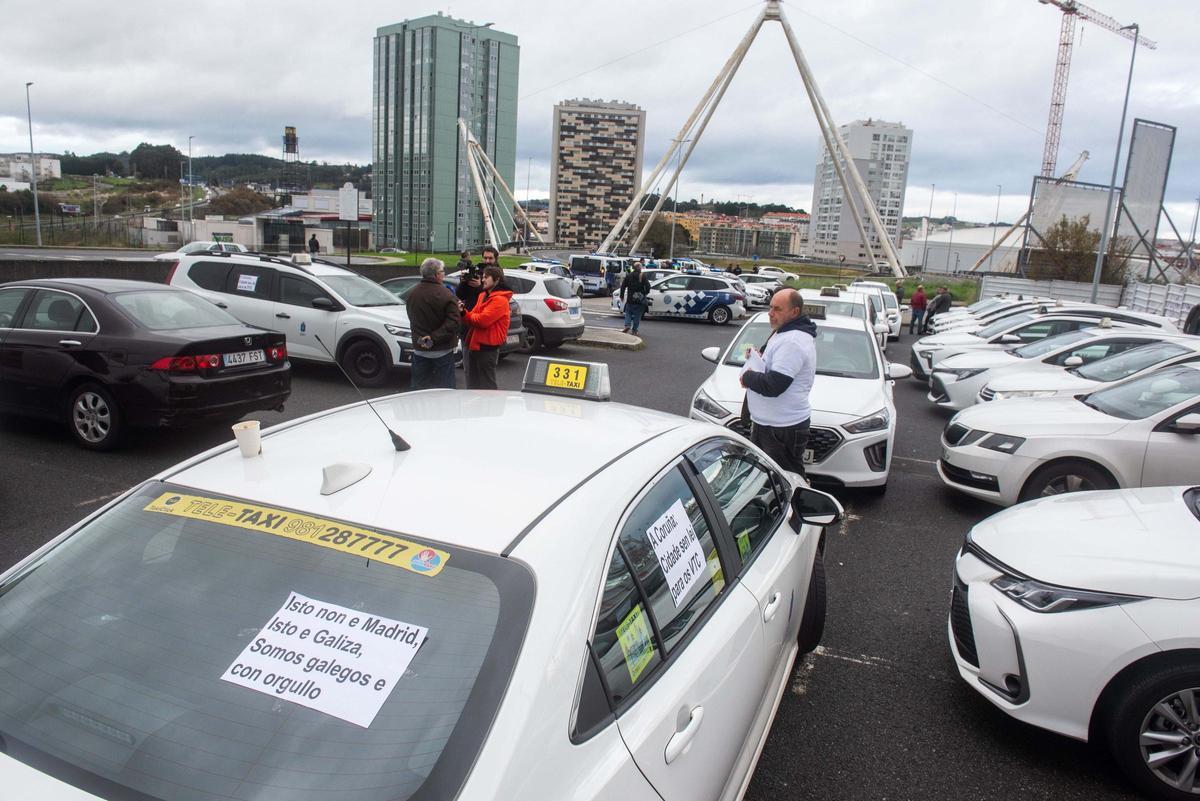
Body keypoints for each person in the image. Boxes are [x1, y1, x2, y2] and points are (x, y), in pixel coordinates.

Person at [739, 288, 817, 477]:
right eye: (770, 307)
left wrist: (747, 377)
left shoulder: (792, 341)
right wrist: (758, 357)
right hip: (770, 425)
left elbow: (774, 385)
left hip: (781, 429)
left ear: (794, 312)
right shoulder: (783, 331)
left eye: (777, 309)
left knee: (786, 480)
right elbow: (775, 367)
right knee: (765, 479)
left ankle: (797, 507)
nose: (771, 313)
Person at [407, 258, 461, 390]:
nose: (444, 274)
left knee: (419, 392)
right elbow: (454, 322)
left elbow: (412, 318)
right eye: (442, 271)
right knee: (445, 392)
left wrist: (425, 338)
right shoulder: (446, 294)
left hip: (419, 349)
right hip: (442, 351)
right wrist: (433, 337)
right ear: (437, 275)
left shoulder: (412, 293)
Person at [459, 265, 512, 390]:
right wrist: (464, 312)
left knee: (487, 386)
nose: (483, 280)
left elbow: (481, 321)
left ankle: (491, 409)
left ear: (497, 280)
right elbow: (473, 317)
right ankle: (476, 409)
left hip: (487, 349)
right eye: (483, 277)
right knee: (473, 384)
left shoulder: (500, 300)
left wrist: (466, 314)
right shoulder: (482, 295)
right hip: (475, 344)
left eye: (486, 277)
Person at [620, 262, 651, 336]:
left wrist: (622, 296)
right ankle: (634, 330)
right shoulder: (642, 276)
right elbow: (648, 287)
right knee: (637, 315)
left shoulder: (629, 275)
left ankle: (627, 325)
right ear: (639, 268)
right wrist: (644, 293)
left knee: (628, 313)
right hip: (639, 299)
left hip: (630, 298)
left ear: (633, 268)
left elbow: (623, 286)